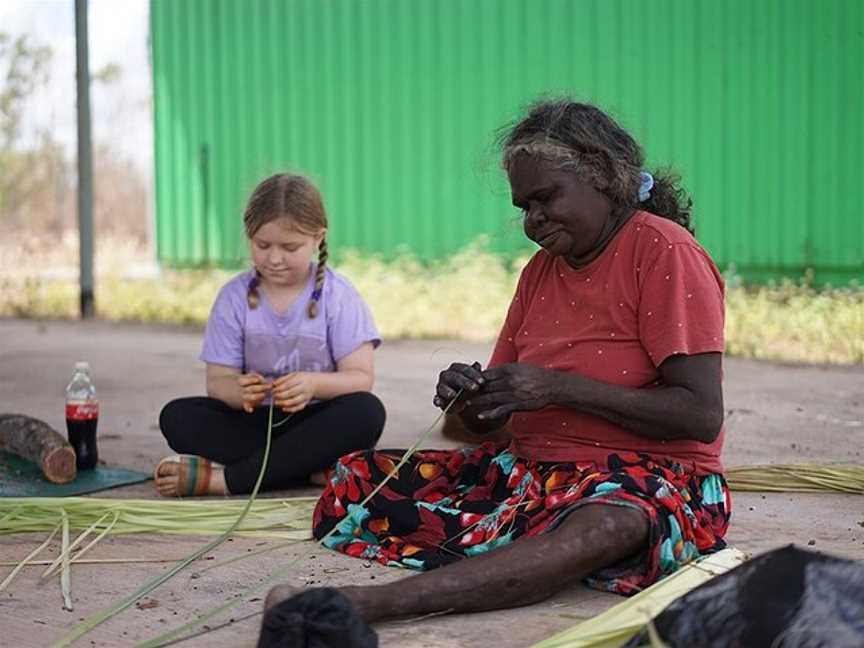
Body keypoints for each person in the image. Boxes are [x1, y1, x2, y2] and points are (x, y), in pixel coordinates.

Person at [266, 99, 730, 622]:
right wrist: (471, 403)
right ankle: (536, 544)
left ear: (601, 174)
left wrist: (559, 388)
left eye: (546, 198)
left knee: (606, 524)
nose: (533, 219)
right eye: (523, 207)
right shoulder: (539, 273)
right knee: (355, 480)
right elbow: (479, 432)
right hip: (535, 475)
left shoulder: (665, 251)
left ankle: (361, 605)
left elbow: (699, 413)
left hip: (648, 480)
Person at [155, 173, 385, 497]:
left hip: (316, 422)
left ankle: (224, 481)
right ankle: (307, 469)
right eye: (262, 245)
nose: (274, 258)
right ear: (249, 236)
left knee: (366, 412)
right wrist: (239, 392)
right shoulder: (233, 297)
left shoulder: (339, 296)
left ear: (318, 238)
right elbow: (218, 382)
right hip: (257, 424)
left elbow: (361, 377)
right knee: (177, 417)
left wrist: (313, 384)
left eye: (290, 247)